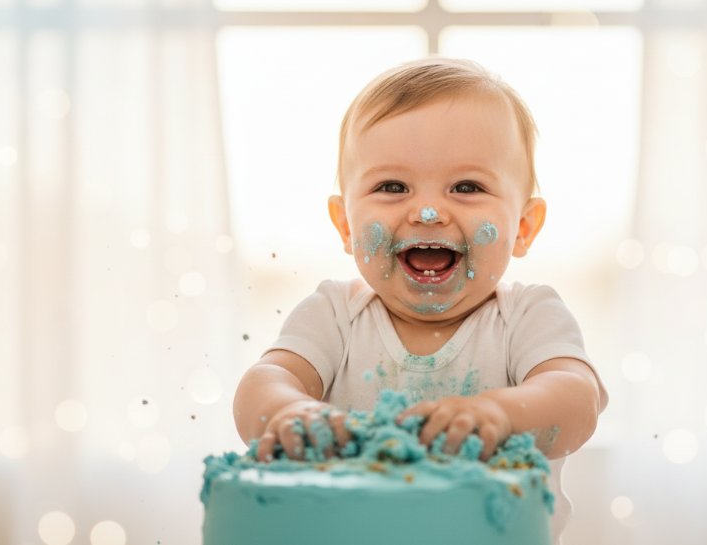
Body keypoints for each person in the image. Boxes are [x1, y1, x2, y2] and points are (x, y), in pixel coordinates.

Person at [233, 56, 608, 543]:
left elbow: (577, 402)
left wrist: (500, 415)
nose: (428, 212)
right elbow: (266, 381)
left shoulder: (527, 317)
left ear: (524, 227)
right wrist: (287, 413)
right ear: (345, 225)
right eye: (392, 186)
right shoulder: (335, 315)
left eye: (467, 187)